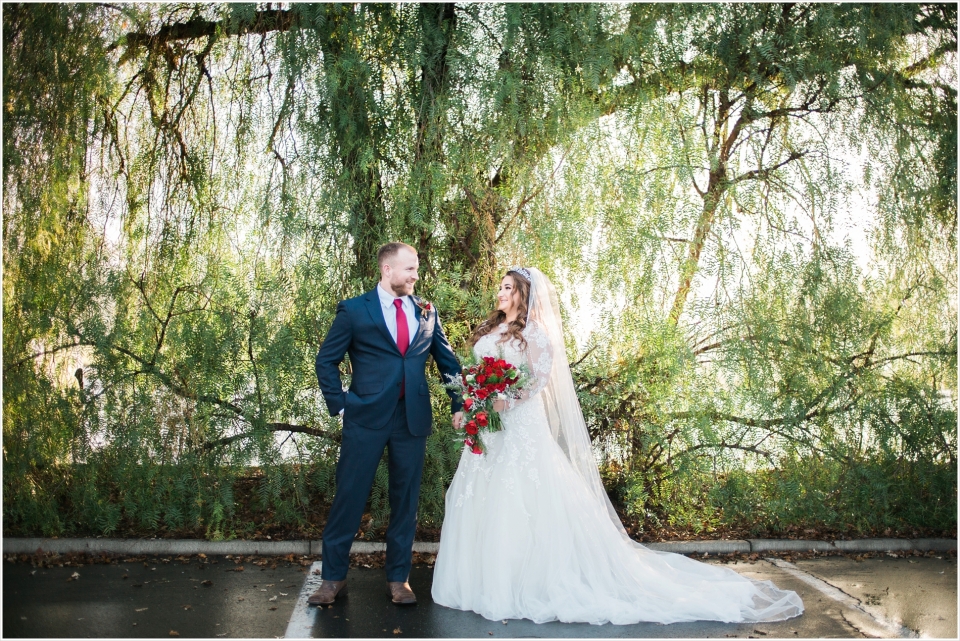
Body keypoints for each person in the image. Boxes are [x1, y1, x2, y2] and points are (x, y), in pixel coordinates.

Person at [431, 266, 804, 625]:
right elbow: (477, 377)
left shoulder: (536, 336)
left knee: (522, 500)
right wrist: (470, 405)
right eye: (501, 286)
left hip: (521, 428)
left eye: (508, 287)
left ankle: (523, 582)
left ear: (523, 295)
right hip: (490, 429)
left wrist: (507, 401)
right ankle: (481, 579)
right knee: (482, 495)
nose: (500, 291)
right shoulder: (492, 328)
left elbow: (538, 381)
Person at [311, 242, 463, 606]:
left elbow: (447, 361)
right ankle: (332, 579)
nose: (415, 275)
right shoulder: (353, 310)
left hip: (411, 419)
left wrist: (459, 402)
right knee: (348, 497)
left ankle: (399, 580)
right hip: (364, 418)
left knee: (405, 502)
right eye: (409, 269)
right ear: (387, 270)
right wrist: (343, 406)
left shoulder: (427, 312)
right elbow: (325, 361)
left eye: (416, 269)